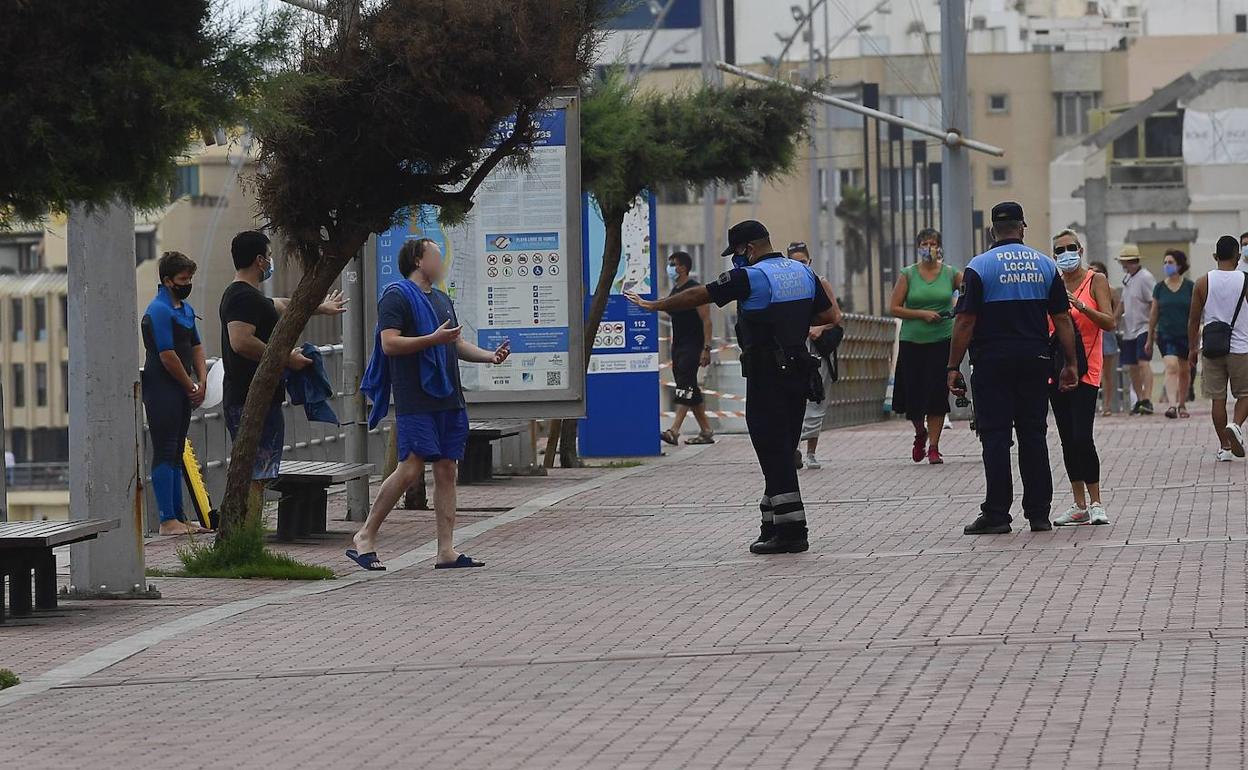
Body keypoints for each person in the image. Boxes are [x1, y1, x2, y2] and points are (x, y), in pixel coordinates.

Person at [626, 220, 838, 554]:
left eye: (736, 253)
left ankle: (793, 530)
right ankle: (772, 524)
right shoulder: (803, 273)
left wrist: (655, 306)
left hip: (767, 374)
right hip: (799, 373)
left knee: (771, 448)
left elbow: (701, 294)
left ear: (748, 249)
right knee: (782, 447)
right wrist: (791, 323)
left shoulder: (750, 276)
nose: (736, 260)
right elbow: (830, 315)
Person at [350, 239, 511, 571]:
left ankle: (446, 550)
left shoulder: (441, 299)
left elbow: (456, 343)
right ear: (419, 261)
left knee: (447, 469)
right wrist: (432, 340)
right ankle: (365, 535)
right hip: (416, 397)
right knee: (410, 468)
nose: (441, 261)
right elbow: (389, 343)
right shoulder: (396, 296)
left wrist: (490, 358)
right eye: (436, 256)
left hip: (448, 396)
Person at [947, 202, 1079, 535]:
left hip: (991, 363)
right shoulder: (1045, 266)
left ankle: (996, 514)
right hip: (1035, 360)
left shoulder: (979, 267)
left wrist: (952, 366)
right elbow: (1062, 318)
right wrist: (1071, 363)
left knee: (995, 437)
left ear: (993, 230)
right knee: (1033, 435)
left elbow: (965, 321)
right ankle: (1039, 513)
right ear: (1022, 227)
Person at [220, 230, 347, 504]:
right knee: (257, 471)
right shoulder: (241, 297)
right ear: (259, 261)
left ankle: (249, 528)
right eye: (268, 256)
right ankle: (249, 531)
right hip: (246, 398)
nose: (270, 261)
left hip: (262, 397)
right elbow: (240, 342)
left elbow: (282, 305)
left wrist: (321, 308)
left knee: (261, 470)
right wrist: (286, 357)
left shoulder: (249, 297)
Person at [140, 252, 211, 535]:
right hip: (162, 388)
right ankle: (167, 520)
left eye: (190, 278)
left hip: (183, 389)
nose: (187, 283)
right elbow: (167, 355)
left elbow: (196, 346)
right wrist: (188, 385)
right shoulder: (158, 310)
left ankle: (180, 517)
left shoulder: (185, 309)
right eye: (183, 279)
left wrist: (202, 381)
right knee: (165, 449)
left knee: (177, 450)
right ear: (168, 280)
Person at [1048, 231, 1116, 526]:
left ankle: (1097, 501)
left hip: (1087, 369)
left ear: (1080, 249)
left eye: (1070, 248)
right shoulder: (1053, 284)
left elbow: (1109, 322)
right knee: (1066, 439)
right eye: (1059, 250)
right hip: (1058, 369)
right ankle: (1078, 504)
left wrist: (1080, 305)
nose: (1066, 253)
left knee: (1082, 436)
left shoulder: (1095, 280)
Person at [889, 228, 961, 465]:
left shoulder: (950, 273)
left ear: (939, 247)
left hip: (942, 341)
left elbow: (971, 289)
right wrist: (921, 314)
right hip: (913, 342)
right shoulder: (908, 274)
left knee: (937, 395)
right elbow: (895, 307)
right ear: (918, 247)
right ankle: (920, 431)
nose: (928, 247)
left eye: (932, 243)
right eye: (924, 243)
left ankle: (934, 446)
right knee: (914, 396)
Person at [1187, 235, 1248, 463]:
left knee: (1217, 399)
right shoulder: (1245, 279)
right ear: (1237, 256)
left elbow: (1193, 320)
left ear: (1215, 256)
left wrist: (1192, 348)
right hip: (1241, 347)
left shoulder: (1203, 282)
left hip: (1211, 347)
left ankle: (1224, 447)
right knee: (1245, 394)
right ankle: (1236, 425)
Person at [787, 241, 843, 469]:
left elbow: (835, 317)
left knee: (817, 397)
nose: (800, 266)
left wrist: (819, 329)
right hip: (794, 349)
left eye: (803, 262)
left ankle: (811, 451)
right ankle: (794, 449)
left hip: (817, 351)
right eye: (794, 263)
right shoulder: (785, 286)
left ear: (809, 262)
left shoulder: (820, 283)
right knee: (794, 399)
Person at [661, 250, 715, 446]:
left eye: (672, 264)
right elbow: (669, 311)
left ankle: (674, 430)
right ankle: (706, 431)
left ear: (682, 267)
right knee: (690, 387)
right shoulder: (675, 291)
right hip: (678, 346)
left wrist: (706, 348)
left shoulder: (696, 290)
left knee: (685, 387)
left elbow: (707, 321)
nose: (669, 269)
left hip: (694, 347)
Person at [1147, 249, 1195, 419]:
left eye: (1170, 262)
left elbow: (1196, 312)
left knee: (1184, 370)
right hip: (1165, 334)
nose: (1167, 265)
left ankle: (1182, 403)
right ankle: (1172, 405)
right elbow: (1154, 314)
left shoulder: (1190, 286)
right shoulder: (1159, 288)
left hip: (1186, 334)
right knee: (1171, 365)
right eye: (1165, 262)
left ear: (1180, 265)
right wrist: (1149, 336)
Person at [1117, 244, 1156, 415]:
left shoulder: (1145, 277)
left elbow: (1153, 302)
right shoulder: (1128, 279)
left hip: (1144, 326)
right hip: (1129, 328)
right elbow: (1123, 303)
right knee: (1131, 365)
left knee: (1143, 362)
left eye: (1128, 261)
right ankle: (1139, 399)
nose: (1125, 265)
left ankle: (1147, 398)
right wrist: (1114, 318)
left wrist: (1153, 327)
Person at [1088, 261, 1121, 416]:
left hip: (1106, 333)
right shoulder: (1086, 289)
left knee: (1107, 373)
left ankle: (1107, 405)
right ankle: (1092, 404)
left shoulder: (1112, 291)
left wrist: (1112, 322)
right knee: (1091, 372)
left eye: (1097, 271)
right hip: (1090, 332)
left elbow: (1117, 311)